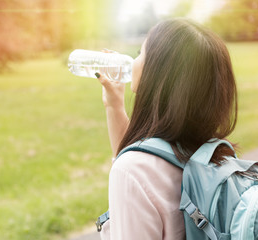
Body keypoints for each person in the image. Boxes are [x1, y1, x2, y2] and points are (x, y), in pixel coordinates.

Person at [95, 18, 237, 240]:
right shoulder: (217, 157)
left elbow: (136, 174)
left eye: (141, 53)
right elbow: (142, 163)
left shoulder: (133, 172)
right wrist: (114, 106)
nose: (134, 61)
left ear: (158, 76)